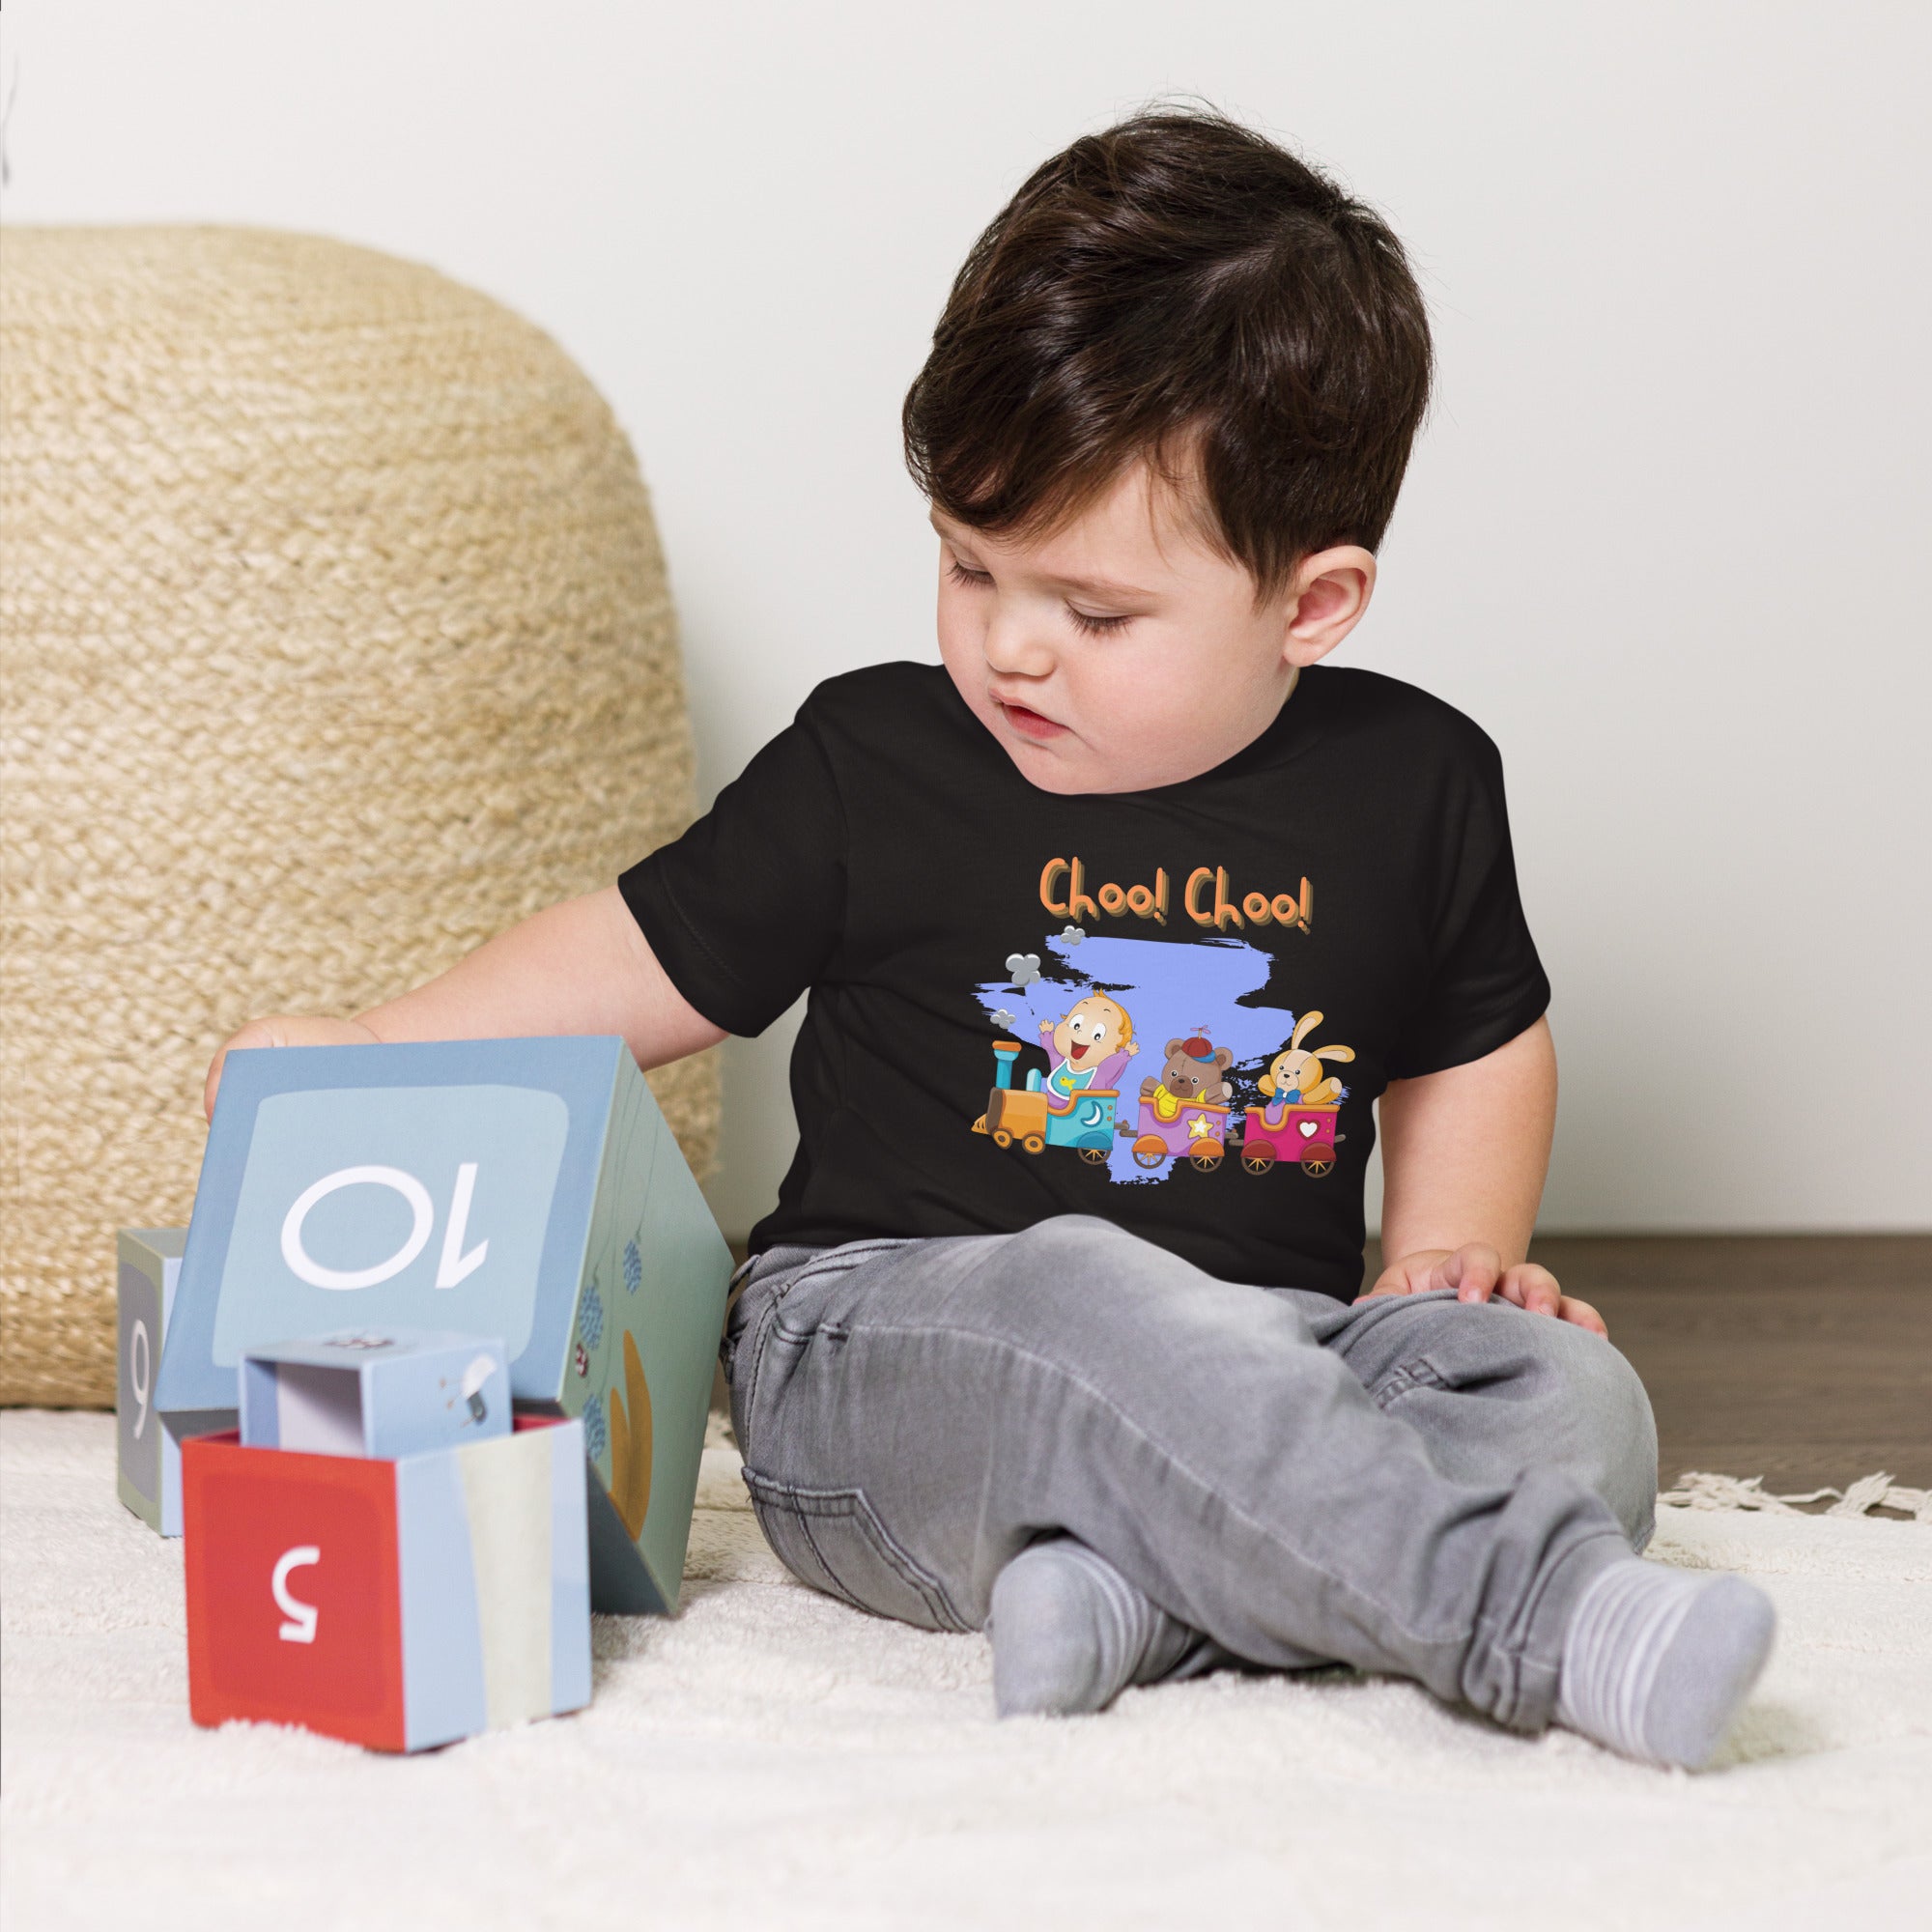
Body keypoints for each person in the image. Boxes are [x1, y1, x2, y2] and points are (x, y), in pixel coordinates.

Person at [207, 110, 1775, 1769]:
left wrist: (1436, 1266)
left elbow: (1470, 1036)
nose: (1010, 648)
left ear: (1310, 605)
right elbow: (633, 959)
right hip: (890, 1352)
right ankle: (1517, 1616)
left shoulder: (1419, 781)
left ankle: (1143, 1607)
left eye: (1094, 614)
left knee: (1572, 1399)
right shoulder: (869, 765)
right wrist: (376, 1052)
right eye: (968, 565)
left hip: (1281, 1357)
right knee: (1086, 1293)